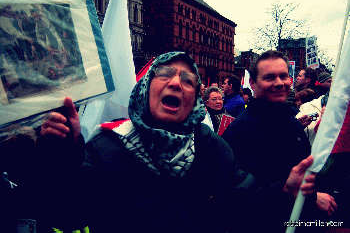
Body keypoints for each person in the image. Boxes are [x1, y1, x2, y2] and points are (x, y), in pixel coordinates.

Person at [41, 51, 316, 233]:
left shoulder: (211, 146)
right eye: (165, 74)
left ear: (194, 100)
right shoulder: (106, 148)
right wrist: (63, 157)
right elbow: (67, 217)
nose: (176, 83)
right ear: (145, 88)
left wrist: (283, 190)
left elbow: (243, 202)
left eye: (188, 80)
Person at [221, 50, 330, 232]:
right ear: (253, 83)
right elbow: (237, 199)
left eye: (283, 76)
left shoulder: (292, 119)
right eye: (270, 77)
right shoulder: (240, 132)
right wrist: (301, 196)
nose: (279, 83)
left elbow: (302, 170)